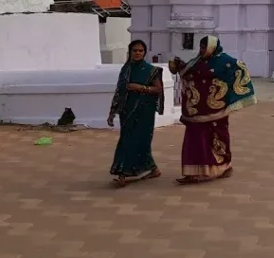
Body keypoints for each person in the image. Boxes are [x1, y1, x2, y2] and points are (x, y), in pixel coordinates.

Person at [168, 35, 256, 184]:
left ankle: (222, 167)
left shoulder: (224, 61)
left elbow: (238, 69)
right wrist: (179, 66)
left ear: (212, 47)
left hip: (216, 111)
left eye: (204, 47)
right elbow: (190, 73)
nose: (202, 50)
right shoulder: (197, 61)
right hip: (197, 111)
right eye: (201, 47)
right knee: (194, 139)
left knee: (215, 139)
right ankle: (193, 172)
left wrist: (232, 98)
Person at [107, 39, 164, 187]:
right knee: (128, 140)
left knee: (138, 141)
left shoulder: (151, 70)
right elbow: (119, 91)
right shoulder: (126, 69)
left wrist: (140, 88)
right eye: (135, 50)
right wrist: (113, 111)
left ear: (144, 53)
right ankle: (153, 169)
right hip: (127, 110)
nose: (138, 53)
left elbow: (158, 89)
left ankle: (123, 175)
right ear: (130, 52)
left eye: (140, 51)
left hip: (144, 111)